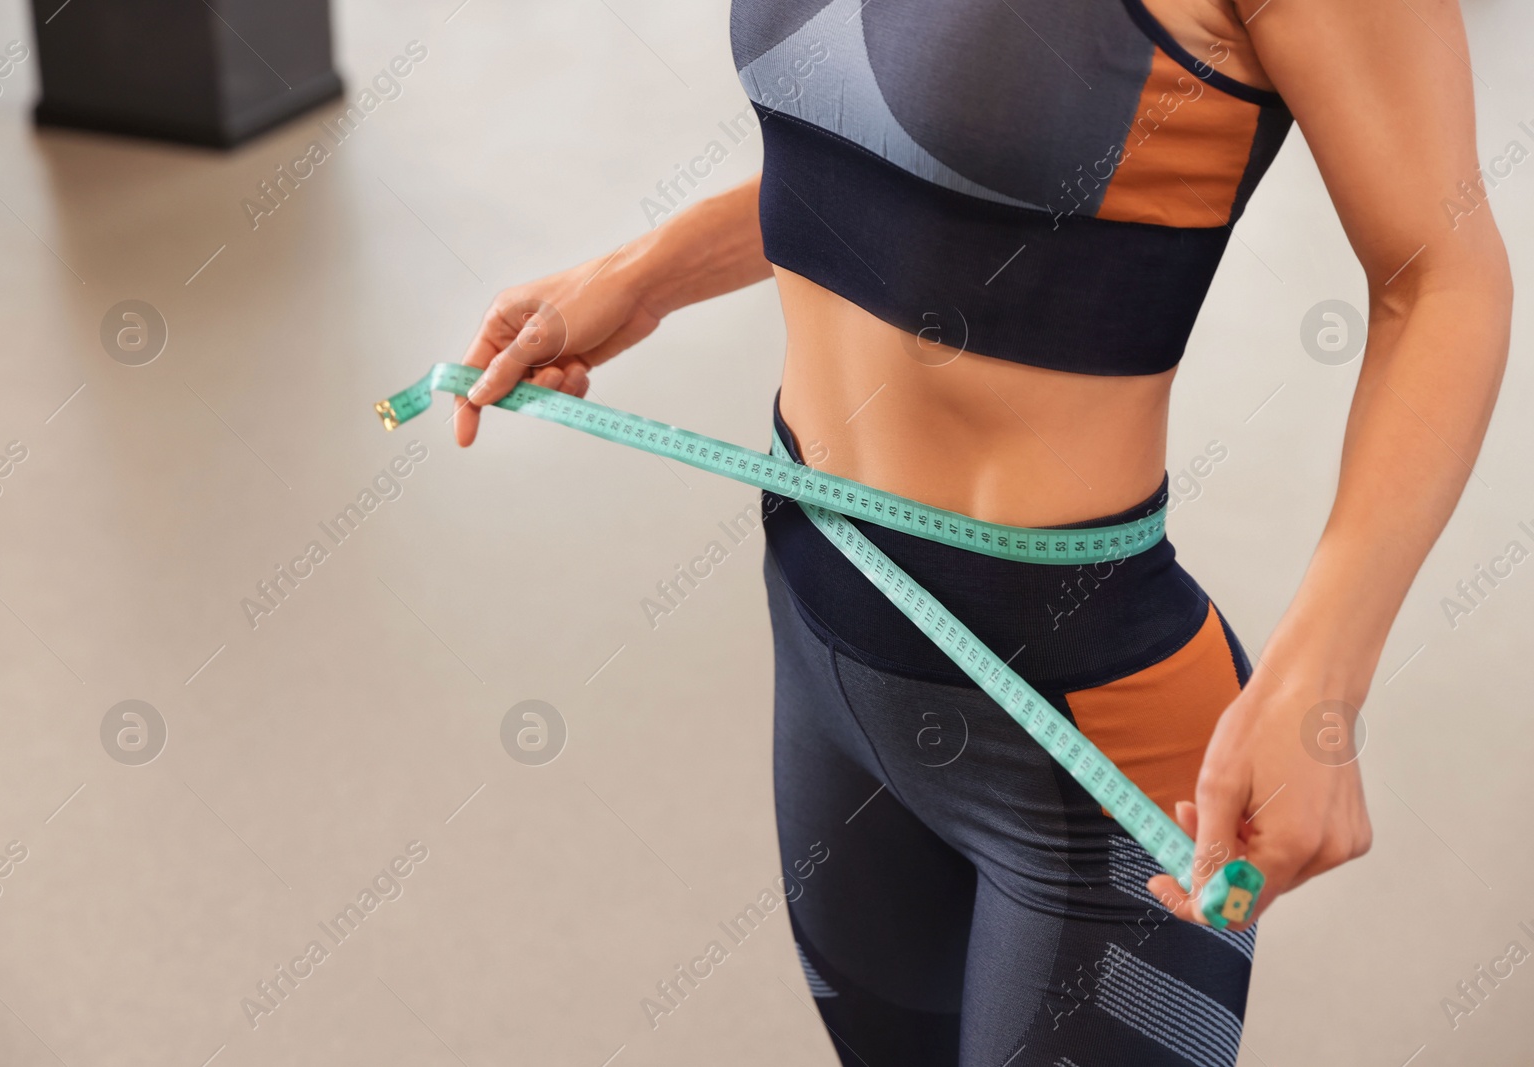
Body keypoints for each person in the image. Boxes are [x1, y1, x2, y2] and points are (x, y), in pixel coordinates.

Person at [451, 0, 1512, 1062]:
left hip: (1089, 737)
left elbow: (1440, 282)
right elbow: (880, 140)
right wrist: (643, 275)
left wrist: (1320, 677)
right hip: (824, 622)